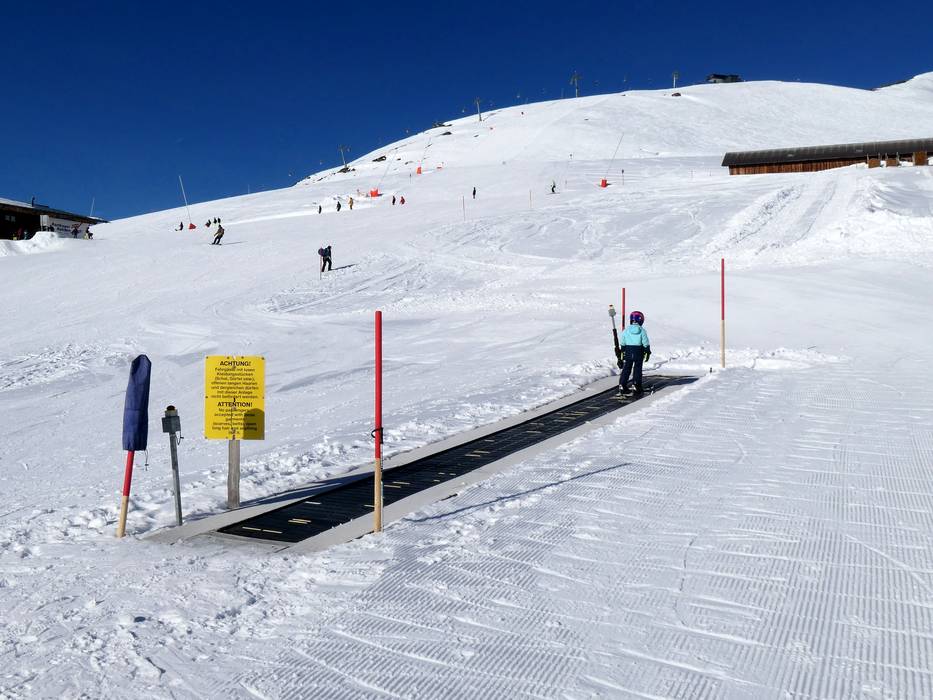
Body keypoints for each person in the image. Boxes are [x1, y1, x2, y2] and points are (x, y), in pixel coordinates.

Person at [617, 311, 651, 395]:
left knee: (626, 368)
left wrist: (622, 350)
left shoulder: (626, 330)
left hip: (628, 350)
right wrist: (647, 351)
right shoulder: (642, 330)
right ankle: (636, 385)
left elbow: (622, 341)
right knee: (637, 369)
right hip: (638, 351)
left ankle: (622, 384)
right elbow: (645, 342)